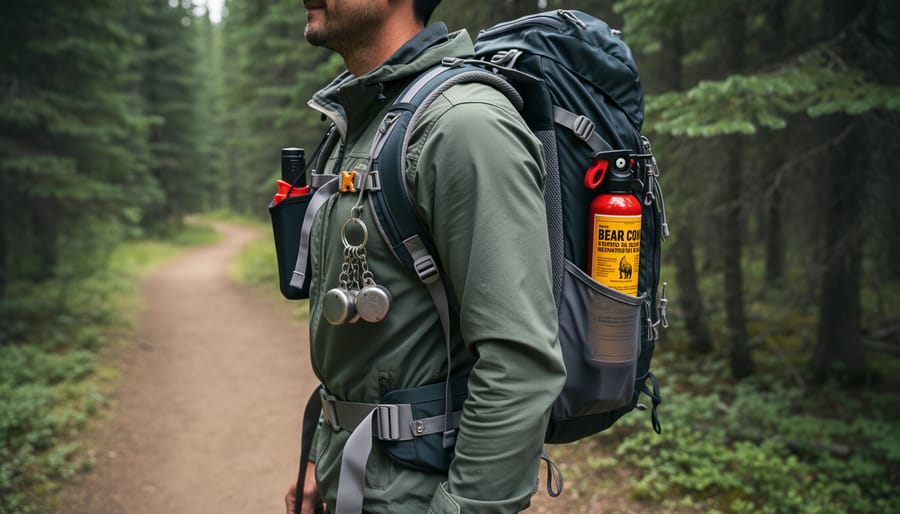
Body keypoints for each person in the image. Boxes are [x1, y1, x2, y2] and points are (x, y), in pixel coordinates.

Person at [284, 1, 566, 512]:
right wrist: (317, 459)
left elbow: (520, 363)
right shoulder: (360, 120)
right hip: (353, 476)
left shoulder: (464, 126)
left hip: (418, 493)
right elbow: (370, 348)